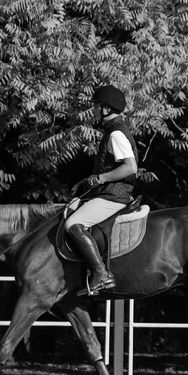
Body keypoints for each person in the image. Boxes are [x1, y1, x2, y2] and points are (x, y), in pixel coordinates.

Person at [64, 84, 139, 295]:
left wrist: (100, 178)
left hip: (114, 195)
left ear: (107, 109)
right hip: (108, 193)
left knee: (73, 224)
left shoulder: (116, 134)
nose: (94, 110)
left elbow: (130, 167)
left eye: (97, 106)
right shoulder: (112, 132)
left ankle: (100, 274)